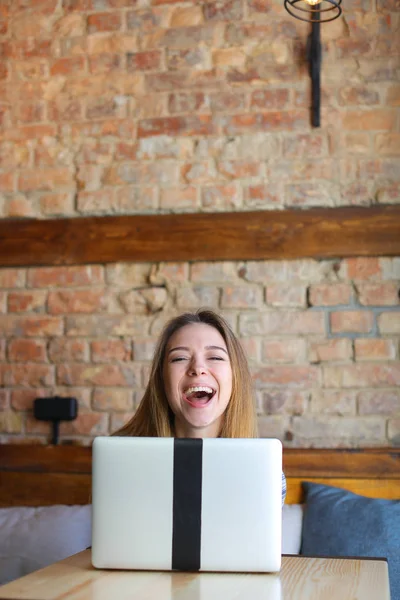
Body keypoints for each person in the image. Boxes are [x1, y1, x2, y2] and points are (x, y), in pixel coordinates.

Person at [114, 309, 286, 504]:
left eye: (215, 357)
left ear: (235, 377)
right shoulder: (119, 461)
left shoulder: (266, 473)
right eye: (179, 358)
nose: (197, 368)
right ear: (162, 379)